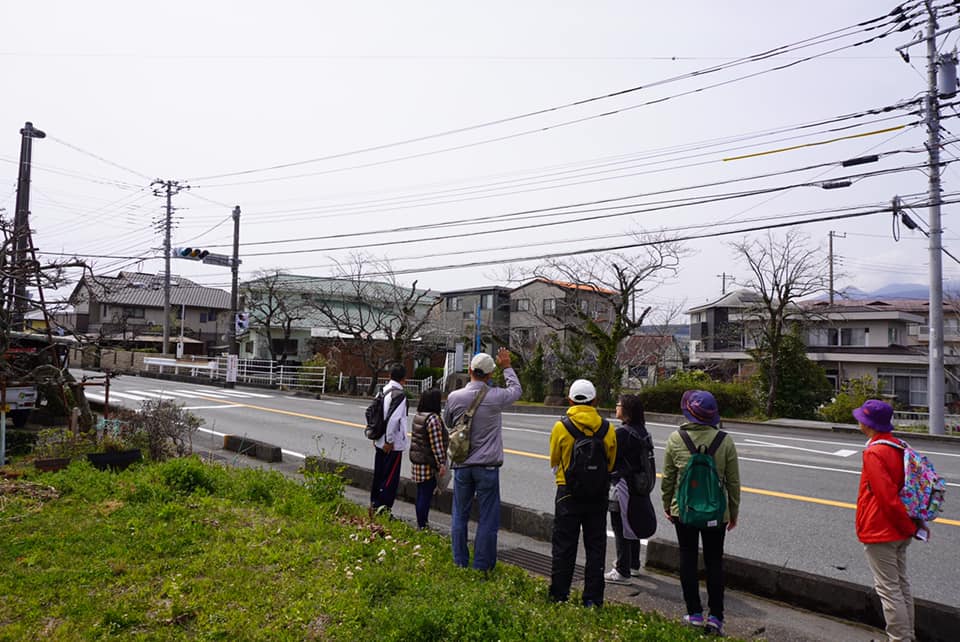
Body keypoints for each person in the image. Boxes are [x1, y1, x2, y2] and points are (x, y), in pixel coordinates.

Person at [661, 389, 740, 636]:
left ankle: (694, 613)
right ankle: (716, 617)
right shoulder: (725, 441)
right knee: (715, 561)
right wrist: (733, 511)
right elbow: (733, 482)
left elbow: (668, 479)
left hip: (683, 511)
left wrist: (667, 504)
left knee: (687, 558)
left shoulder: (676, 439)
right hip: (717, 512)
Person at [442, 347, 522, 571]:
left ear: (469, 370)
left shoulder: (455, 397)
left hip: (462, 464)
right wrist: (507, 366)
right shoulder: (495, 397)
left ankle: (460, 561)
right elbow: (516, 391)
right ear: (489, 375)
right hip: (487, 466)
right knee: (488, 517)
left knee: (460, 513)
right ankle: (482, 565)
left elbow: (448, 422)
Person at [854, 399, 921, 642]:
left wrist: (904, 525)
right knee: (901, 585)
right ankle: (908, 635)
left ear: (867, 422)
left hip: (882, 529)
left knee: (889, 589)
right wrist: (911, 527)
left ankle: (899, 639)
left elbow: (885, 496)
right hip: (902, 528)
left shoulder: (874, 452)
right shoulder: (899, 445)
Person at [548, 379, 617, 607]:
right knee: (595, 547)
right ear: (595, 401)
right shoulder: (608, 428)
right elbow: (611, 463)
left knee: (564, 545)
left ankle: (559, 595)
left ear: (569, 400)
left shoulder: (562, 427)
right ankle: (593, 600)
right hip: (598, 494)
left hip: (567, 493)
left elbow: (554, 460)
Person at [604, 393, 658, 584]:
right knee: (632, 523)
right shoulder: (643, 431)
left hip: (623, 486)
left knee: (620, 527)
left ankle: (622, 571)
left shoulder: (622, 433)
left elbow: (610, 460)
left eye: (618, 405)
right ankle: (633, 564)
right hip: (639, 485)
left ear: (626, 410)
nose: (616, 407)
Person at [369, 364, 409, 517]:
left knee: (379, 474)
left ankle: (374, 503)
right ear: (404, 379)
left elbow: (373, 413)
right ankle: (383, 509)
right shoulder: (399, 395)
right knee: (390, 477)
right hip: (392, 445)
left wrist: (376, 435)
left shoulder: (382, 390)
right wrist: (390, 440)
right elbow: (394, 420)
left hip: (379, 440)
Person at [409, 388, 448, 529]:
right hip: (428, 464)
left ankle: (421, 523)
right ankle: (422, 525)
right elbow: (436, 444)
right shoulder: (433, 419)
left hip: (417, 461)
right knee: (425, 495)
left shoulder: (419, 415)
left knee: (421, 493)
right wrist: (441, 463)